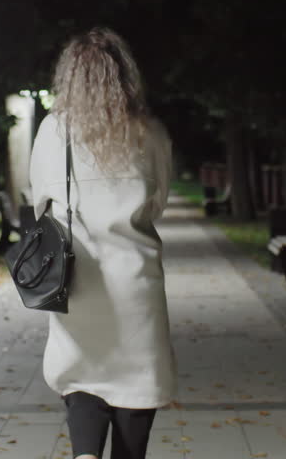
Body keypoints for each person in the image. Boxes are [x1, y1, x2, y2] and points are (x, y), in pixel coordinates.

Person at [28, 27, 176, 459]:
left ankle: (85, 453)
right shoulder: (149, 132)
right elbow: (158, 203)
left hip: (77, 280)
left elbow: (39, 203)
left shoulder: (53, 131)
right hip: (135, 281)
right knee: (136, 384)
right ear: (124, 75)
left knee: (82, 376)